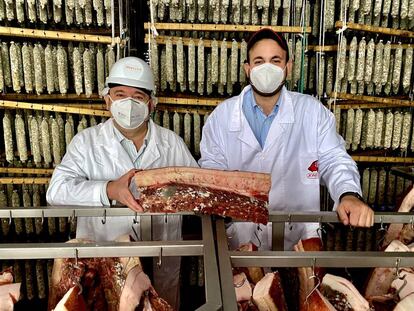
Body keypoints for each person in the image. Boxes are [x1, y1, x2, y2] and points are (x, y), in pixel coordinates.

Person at [199, 29, 374, 251]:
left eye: (275, 60)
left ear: (288, 67)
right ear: (248, 69)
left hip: (300, 238)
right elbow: (212, 173)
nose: (267, 68)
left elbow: (334, 160)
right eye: (259, 61)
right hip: (243, 237)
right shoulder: (221, 117)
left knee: (304, 286)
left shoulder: (312, 112)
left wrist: (348, 194)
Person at [46, 56, 197, 308]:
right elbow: (56, 191)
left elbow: (197, 194)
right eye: (120, 94)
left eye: (138, 96)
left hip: (162, 263)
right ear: (107, 100)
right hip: (105, 263)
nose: (128, 103)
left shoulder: (173, 144)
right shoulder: (86, 143)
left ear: (151, 104)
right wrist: (108, 190)